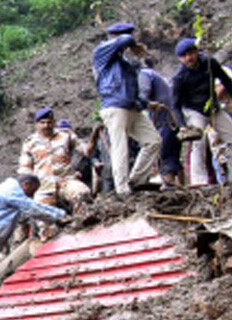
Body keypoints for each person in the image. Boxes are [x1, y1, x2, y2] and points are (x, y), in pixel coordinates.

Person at [0, 175, 68, 317]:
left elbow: (31, 211)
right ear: (26, 184)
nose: (31, 196)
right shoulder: (11, 190)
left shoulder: (11, 193)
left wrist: (56, 215)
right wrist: (60, 216)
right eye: (32, 192)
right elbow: (32, 208)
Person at [92, 22, 161, 195]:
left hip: (131, 108)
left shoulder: (127, 64)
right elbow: (127, 39)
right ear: (115, 38)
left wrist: (146, 104)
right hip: (114, 107)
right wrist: (132, 43)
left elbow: (132, 92)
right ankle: (122, 189)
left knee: (153, 141)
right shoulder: (102, 52)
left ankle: (135, 181)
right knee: (120, 148)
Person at [171, 38, 232, 187]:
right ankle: (199, 181)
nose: (189, 58)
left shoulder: (210, 63)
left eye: (191, 53)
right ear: (180, 58)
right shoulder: (179, 77)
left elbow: (226, 81)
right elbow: (175, 105)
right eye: (184, 56)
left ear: (197, 51)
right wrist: (182, 125)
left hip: (213, 107)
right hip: (194, 110)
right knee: (198, 144)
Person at [18, 107, 95, 212]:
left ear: (54, 122)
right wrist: (29, 189)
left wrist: (94, 137)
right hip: (43, 187)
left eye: (49, 122)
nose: (46, 126)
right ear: (36, 124)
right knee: (42, 218)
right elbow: (25, 170)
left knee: (83, 194)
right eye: (43, 123)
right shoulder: (29, 143)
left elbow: (86, 151)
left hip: (66, 181)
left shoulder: (66, 136)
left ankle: (80, 222)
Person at [139, 57, 183, 188]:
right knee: (173, 154)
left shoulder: (144, 74)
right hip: (175, 118)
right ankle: (177, 185)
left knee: (164, 154)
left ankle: (169, 186)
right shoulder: (161, 77)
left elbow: (144, 94)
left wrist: (141, 105)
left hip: (163, 118)